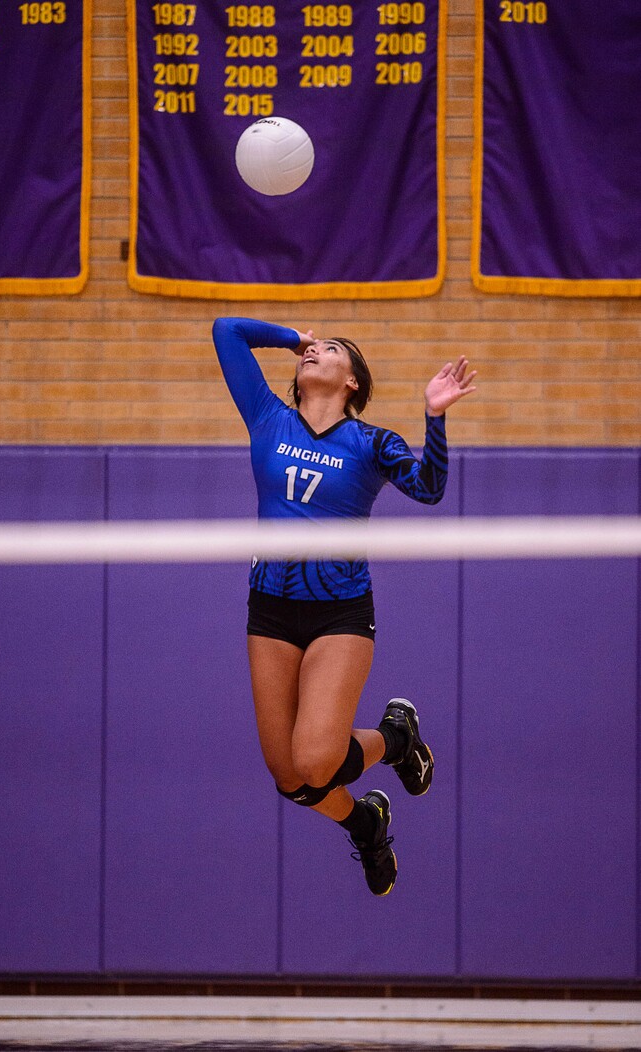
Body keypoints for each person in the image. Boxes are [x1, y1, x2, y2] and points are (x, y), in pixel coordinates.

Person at [212, 317, 476, 896]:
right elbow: (226, 330)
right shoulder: (268, 417)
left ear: (352, 380)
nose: (315, 353)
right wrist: (293, 338)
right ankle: (365, 822)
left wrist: (434, 416)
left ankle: (395, 737)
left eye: (331, 350)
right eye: (312, 351)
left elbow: (429, 488)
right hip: (270, 611)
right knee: (289, 777)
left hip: (340, 612)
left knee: (316, 760)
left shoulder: (372, 442)